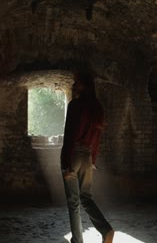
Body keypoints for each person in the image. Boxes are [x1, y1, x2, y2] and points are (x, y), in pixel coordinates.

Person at [61, 71, 114, 243]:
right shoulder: (97, 108)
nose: (74, 85)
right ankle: (106, 230)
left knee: (74, 202)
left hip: (74, 155)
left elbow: (70, 134)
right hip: (87, 156)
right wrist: (93, 159)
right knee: (86, 197)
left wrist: (66, 163)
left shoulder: (74, 105)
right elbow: (97, 137)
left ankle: (77, 241)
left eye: (77, 82)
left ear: (85, 86)